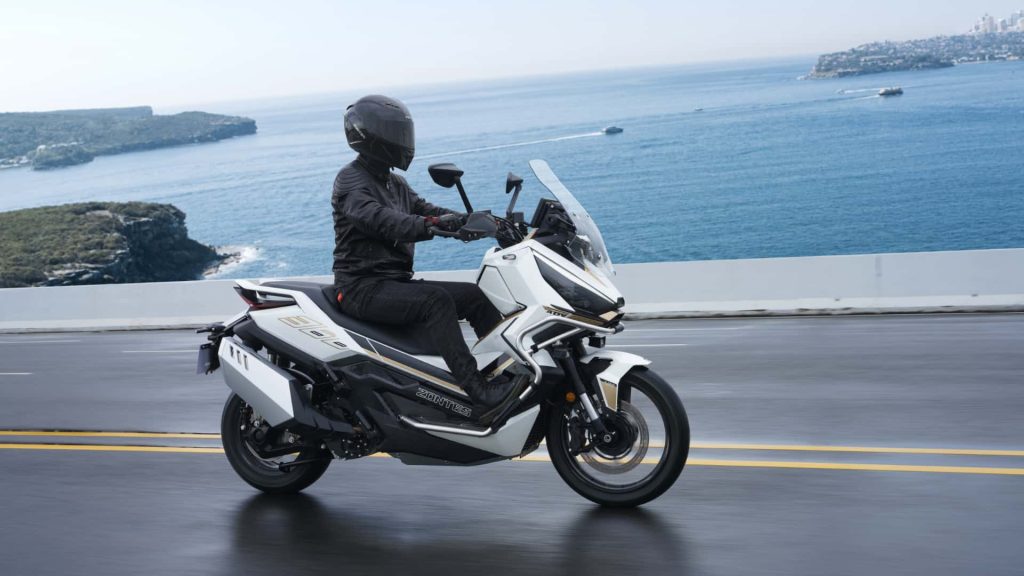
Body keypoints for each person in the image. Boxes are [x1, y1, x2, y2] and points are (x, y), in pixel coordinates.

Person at [331, 94, 516, 410]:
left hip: (393, 283)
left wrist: (484, 223)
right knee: (436, 302)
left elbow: (427, 211)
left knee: (474, 296)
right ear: (374, 135)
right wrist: (431, 223)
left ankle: (510, 372)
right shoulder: (351, 181)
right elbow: (384, 220)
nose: (403, 141)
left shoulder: (395, 183)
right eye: (396, 133)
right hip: (361, 288)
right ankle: (478, 391)